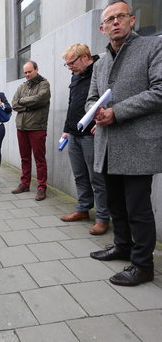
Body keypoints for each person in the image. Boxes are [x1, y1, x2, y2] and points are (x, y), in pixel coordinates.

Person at [87, 0, 162, 286]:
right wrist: (95, 110)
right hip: (107, 145)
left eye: (121, 17)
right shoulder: (100, 64)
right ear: (102, 28)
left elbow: (160, 91)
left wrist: (116, 112)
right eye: (110, 19)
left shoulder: (152, 47)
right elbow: (92, 98)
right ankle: (122, 245)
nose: (115, 22)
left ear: (133, 20)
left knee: (137, 208)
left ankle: (143, 266)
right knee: (115, 203)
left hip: (139, 145)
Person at [60, 43, 110, 235]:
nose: (69, 67)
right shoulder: (76, 75)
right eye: (67, 64)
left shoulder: (100, 69)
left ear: (84, 57)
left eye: (71, 63)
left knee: (97, 177)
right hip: (74, 133)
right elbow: (72, 103)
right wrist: (66, 129)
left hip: (92, 134)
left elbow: (107, 98)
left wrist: (104, 120)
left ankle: (102, 217)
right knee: (80, 175)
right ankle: (82, 209)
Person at [11, 61, 51, 201]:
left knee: (39, 159)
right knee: (25, 158)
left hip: (37, 127)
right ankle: (25, 184)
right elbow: (14, 104)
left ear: (36, 69)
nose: (27, 75)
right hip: (21, 127)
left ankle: (41, 187)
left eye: (29, 71)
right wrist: (28, 105)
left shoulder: (44, 84)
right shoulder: (22, 86)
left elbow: (40, 99)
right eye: (25, 72)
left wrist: (23, 101)